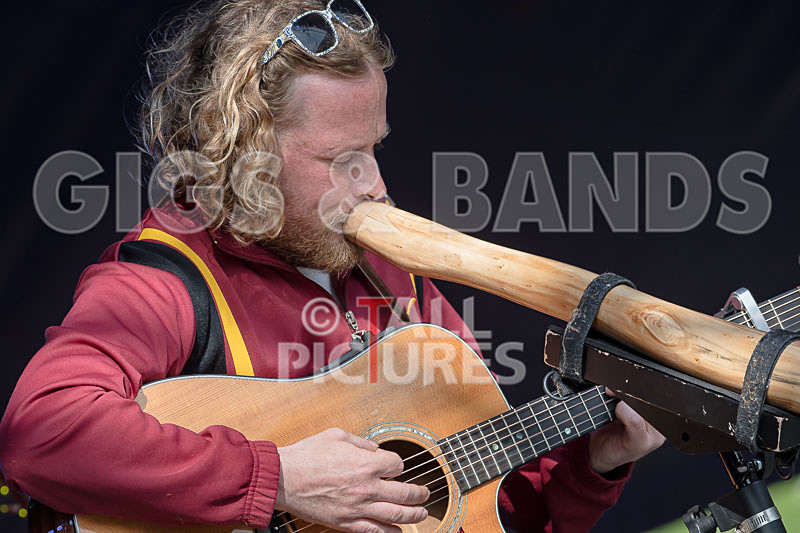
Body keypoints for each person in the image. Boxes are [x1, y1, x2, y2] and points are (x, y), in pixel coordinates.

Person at [0, 1, 665, 532]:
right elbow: (40, 432)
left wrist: (594, 460)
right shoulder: (162, 281)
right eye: (338, 158)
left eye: (374, 147)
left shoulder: (391, 278)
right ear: (243, 155)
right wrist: (278, 478)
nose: (374, 184)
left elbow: (489, 508)